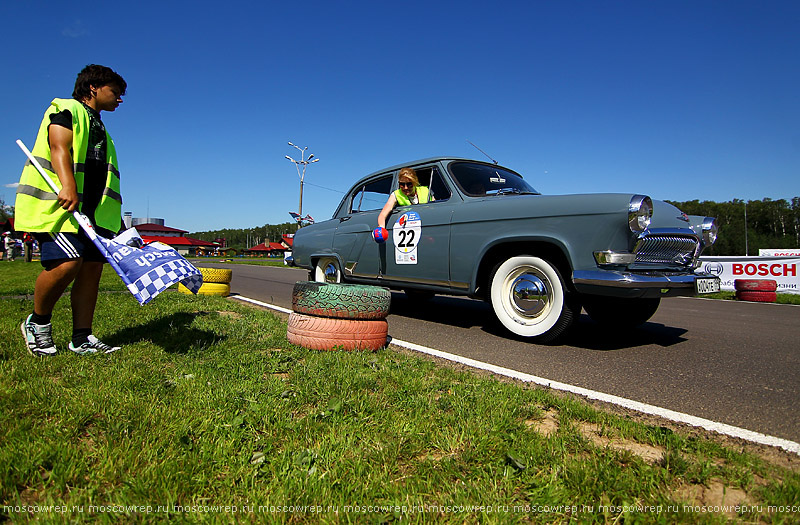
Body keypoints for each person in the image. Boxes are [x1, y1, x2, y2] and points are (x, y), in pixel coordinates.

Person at [15, 64, 126, 356]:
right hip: (62, 207)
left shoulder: (101, 128)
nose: (120, 99)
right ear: (94, 87)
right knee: (67, 263)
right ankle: (38, 324)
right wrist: (67, 186)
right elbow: (59, 147)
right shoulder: (66, 109)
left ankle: (82, 337)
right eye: (115, 91)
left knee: (91, 271)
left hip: (94, 213)